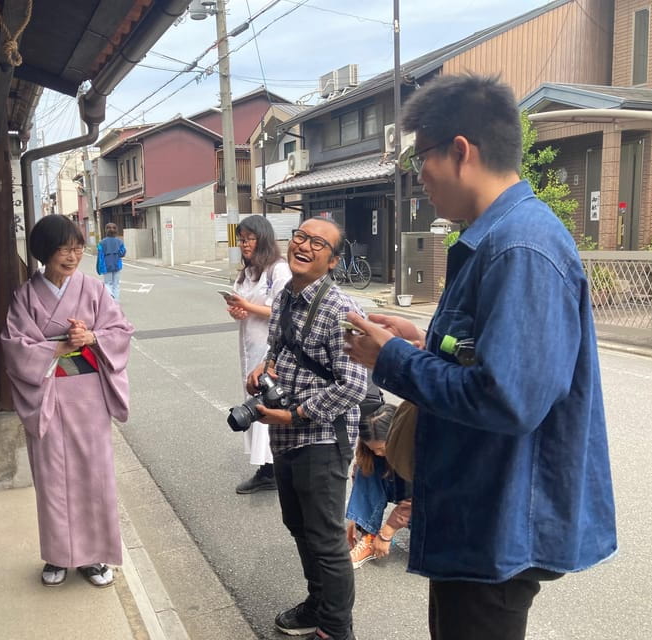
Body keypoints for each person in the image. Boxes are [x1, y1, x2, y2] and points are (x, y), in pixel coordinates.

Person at [343, 74, 617, 640]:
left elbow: (507, 397)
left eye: (421, 159)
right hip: (482, 518)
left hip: (499, 524)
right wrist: (420, 341)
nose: (418, 178)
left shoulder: (520, 247)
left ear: (461, 151)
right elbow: (485, 357)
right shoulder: (499, 238)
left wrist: (392, 358)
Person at [247, 217, 368, 640]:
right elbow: (280, 349)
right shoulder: (284, 297)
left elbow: (354, 384)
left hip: (320, 438)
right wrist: (266, 365)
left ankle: (336, 629)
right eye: (300, 237)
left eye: (318, 244)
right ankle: (318, 604)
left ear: (333, 261)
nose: (305, 246)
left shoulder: (342, 310)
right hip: (285, 437)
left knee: (326, 538)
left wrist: (296, 415)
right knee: (299, 527)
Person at [1, 215, 134, 588]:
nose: (73, 256)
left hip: (88, 395)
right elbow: (14, 348)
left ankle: (93, 558)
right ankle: (57, 555)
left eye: (77, 249)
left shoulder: (92, 289)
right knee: (52, 478)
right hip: (47, 394)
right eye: (64, 249)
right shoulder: (25, 296)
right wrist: (59, 346)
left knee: (93, 476)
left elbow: (120, 330)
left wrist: (92, 337)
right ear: (45, 252)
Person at [225, 215, 292, 494]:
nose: (244, 244)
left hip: (270, 350)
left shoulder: (279, 270)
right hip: (249, 346)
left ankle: (270, 470)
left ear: (263, 238)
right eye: (241, 239)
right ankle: (271, 467)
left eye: (249, 238)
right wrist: (237, 311)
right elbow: (245, 307)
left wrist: (248, 308)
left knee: (266, 404)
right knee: (255, 402)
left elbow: (284, 310)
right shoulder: (248, 272)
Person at [345, 403, 412, 569]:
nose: (377, 453)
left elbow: (422, 498)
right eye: (372, 449)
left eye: (381, 448)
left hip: (441, 506)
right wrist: (357, 519)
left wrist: (387, 532)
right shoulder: (373, 454)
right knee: (366, 467)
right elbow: (361, 482)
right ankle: (368, 538)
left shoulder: (422, 447)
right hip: (402, 488)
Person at [97, 222, 127, 300]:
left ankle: (109, 300)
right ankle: (115, 301)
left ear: (106, 230)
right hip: (117, 265)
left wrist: (99, 268)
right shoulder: (120, 242)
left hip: (106, 265)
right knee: (116, 284)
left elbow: (100, 256)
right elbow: (122, 253)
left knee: (107, 284)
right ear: (116, 231)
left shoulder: (101, 243)